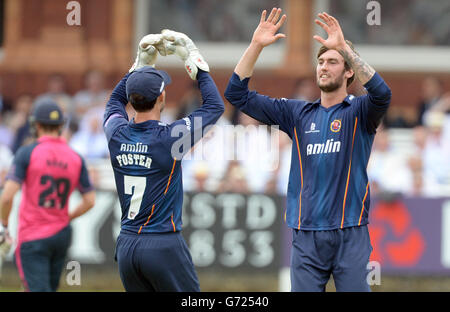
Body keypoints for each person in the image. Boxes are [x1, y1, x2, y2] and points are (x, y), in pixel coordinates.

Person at [224, 8, 391, 292]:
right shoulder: (297, 113)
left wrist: (347, 49)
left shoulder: (361, 112)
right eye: (321, 61)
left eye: (333, 61)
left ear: (349, 70)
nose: (324, 66)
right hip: (306, 236)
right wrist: (256, 46)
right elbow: (236, 94)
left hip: (350, 232)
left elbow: (382, 93)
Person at [103, 30, 224, 292]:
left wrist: (139, 67)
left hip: (126, 246)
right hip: (162, 244)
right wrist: (195, 62)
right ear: (161, 98)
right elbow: (215, 106)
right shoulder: (170, 139)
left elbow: (114, 101)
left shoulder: (115, 133)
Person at [0, 100, 96, 292]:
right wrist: (67, 217)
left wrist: (3, 225)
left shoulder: (27, 152)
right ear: (61, 126)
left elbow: (7, 197)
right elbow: (89, 201)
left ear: (36, 125)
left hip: (33, 235)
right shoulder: (75, 157)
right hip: (61, 235)